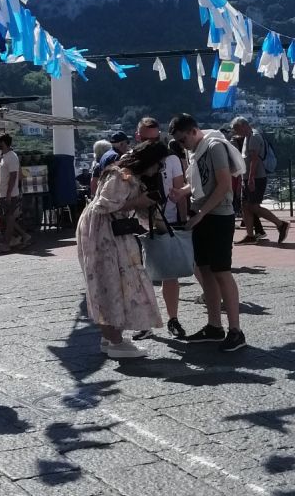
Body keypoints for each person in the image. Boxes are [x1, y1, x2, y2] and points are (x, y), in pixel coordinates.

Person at [76, 140, 163, 361]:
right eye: (158, 164)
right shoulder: (121, 175)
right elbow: (103, 205)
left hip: (108, 231)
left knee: (113, 280)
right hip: (103, 232)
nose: (159, 169)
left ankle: (110, 336)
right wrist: (137, 202)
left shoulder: (127, 175)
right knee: (110, 280)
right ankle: (114, 340)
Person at [170, 113, 246, 352]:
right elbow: (201, 181)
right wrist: (183, 192)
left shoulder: (213, 147)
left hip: (218, 216)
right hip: (201, 214)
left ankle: (236, 330)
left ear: (193, 131)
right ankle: (214, 326)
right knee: (204, 270)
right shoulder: (196, 150)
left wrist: (201, 213)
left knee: (222, 271)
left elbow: (224, 184)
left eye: (183, 140)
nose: (183, 146)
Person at [135, 116, 190, 337]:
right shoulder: (132, 159)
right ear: (138, 137)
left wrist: (183, 221)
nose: (153, 143)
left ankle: (172, 318)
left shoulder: (171, 159)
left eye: (156, 138)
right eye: (148, 139)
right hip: (139, 221)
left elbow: (180, 192)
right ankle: (145, 321)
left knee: (170, 274)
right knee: (139, 274)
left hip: (166, 219)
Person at [232, 116, 289, 245]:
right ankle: (250, 235)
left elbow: (254, 159)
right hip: (248, 177)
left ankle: (280, 224)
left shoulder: (254, 137)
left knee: (253, 206)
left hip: (256, 178)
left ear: (243, 126)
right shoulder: (248, 137)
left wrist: (251, 178)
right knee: (245, 205)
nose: (236, 133)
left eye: (237, 129)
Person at [0, 133, 29, 249]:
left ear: (3, 143)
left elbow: (14, 176)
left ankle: (6, 243)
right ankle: (22, 236)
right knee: (6, 218)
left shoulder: (11, 157)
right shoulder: (5, 156)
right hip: (3, 192)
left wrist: (9, 194)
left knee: (9, 218)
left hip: (9, 194)